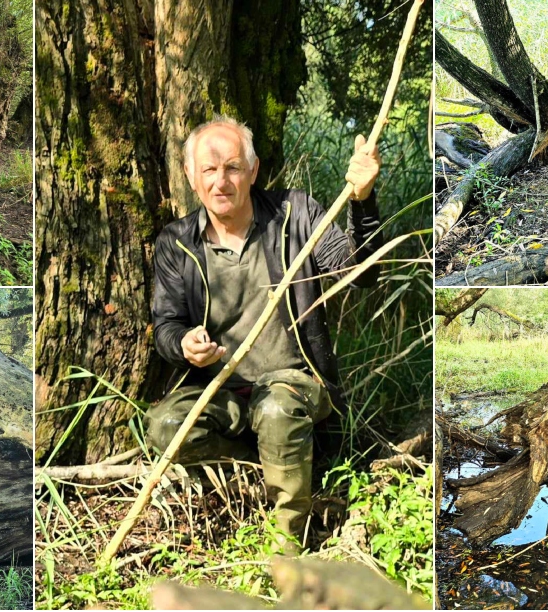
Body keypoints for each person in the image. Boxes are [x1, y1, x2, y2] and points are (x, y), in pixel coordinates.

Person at [146, 115, 383, 550]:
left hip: (294, 384)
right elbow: (167, 325)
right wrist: (183, 345)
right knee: (165, 425)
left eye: (233, 168)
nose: (222, 181)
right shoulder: (176, 243)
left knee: (276, 411)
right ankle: (270, 468)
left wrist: (363, 200)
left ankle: (287, 547)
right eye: (209, 170)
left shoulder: (296, 214)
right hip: (222, 392)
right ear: (190, 177)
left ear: (253, 171)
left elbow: (359, 273)